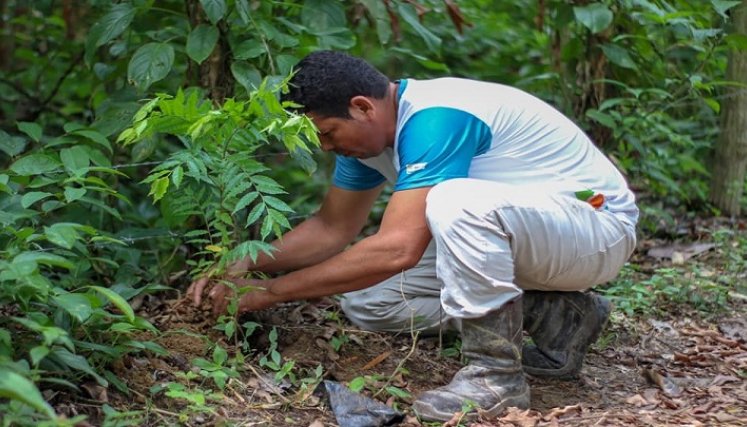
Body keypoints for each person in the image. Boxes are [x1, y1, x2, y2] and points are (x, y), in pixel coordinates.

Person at [188, 50, 638, 422]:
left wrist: (270, 292)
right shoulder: (367, 141)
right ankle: (557, 315)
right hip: (530, 233)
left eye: (327, 133)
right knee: (369, 300)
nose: (326, 147)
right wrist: (243, 262)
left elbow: (399, 248)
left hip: (595, 227)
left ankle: (496, 375)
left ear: (363, 107)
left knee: (454, 203)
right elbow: (331, 230)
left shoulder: (435, 117)